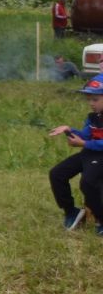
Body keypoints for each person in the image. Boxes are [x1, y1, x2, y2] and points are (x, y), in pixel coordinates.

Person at [48, 77, 103, 233]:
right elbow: (85, 136)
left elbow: (86, 142)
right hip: (90, 153)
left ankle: (101, 219)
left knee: (88, 182)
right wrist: (68, 130)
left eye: (95, 99)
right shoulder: (92, 117)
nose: (91, 103)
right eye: (89, 99)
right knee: (57, 174)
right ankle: (71, 211)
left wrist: (84, 144)